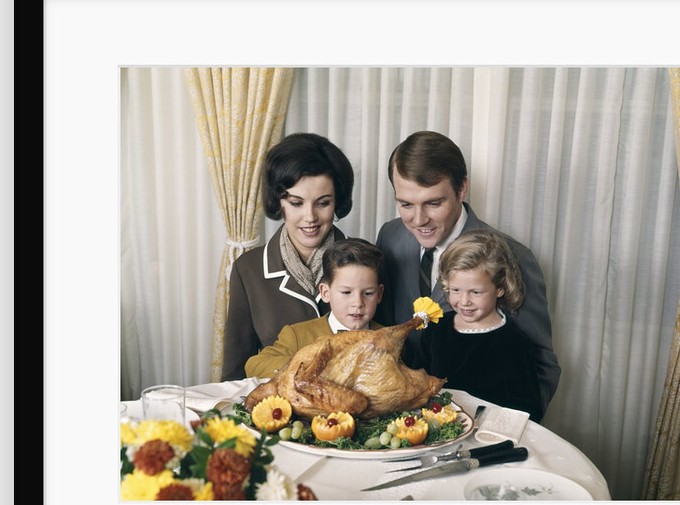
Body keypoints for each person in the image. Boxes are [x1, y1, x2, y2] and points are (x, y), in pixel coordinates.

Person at [374, 130, 561, 410]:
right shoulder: (390, 236)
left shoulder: (515, 258)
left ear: (462, 188)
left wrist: (494, 435)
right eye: (405, 204)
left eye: (434, 203)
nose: (418, 219)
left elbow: (541, 369)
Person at [222, 132, 354, 381]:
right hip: (276, 412)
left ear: (337, 202)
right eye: (296, 203)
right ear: (279, 202)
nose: (310, 217)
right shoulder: (248, 270)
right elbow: (235, 371)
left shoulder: (368, 262)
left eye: (322, 203)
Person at [414, 229, 548, 422]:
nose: (464, 301)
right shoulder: (435, 329)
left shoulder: (514, 343)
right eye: (456, 290)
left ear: (500, 288)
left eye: (476, 292)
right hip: (436, 430)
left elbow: (528, 409)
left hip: (486, 437)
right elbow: (417, 383)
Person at [244, 238, 386, 379]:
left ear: (379, 294)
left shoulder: (388, 338)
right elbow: (254, 366)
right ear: (325, 293)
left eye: (368, 293)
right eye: (346, 292)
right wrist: (309, 363)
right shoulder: (296, 335)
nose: (358, 303)